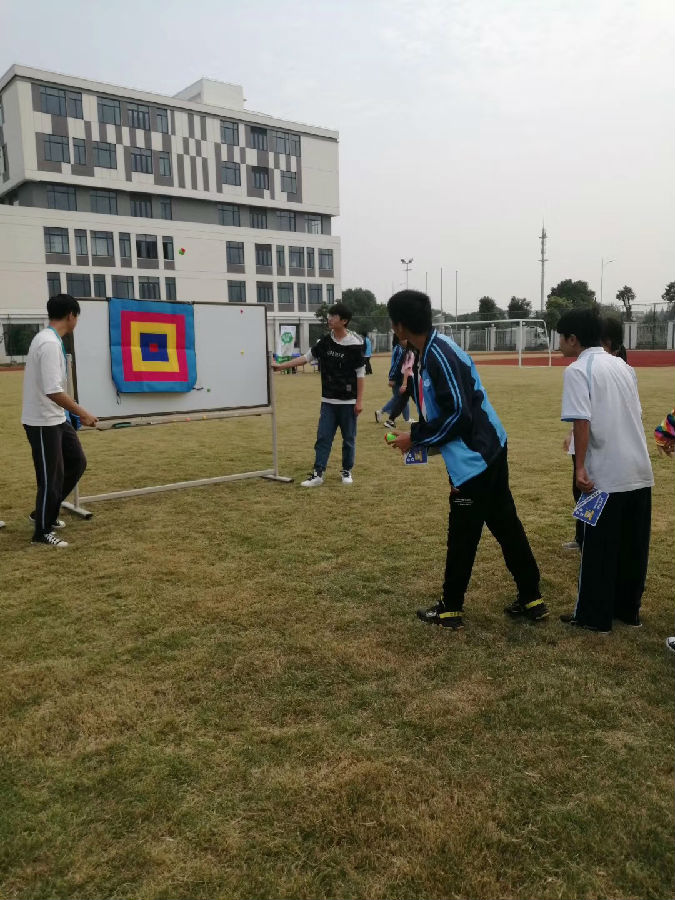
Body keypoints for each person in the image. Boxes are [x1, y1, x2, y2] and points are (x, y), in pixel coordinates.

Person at [386, 290, 547, 631]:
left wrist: (415, 437)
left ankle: (451, 609)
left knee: (463, 534)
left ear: (400, 325)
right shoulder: (427, 351)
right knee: (505, 524)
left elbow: (459, 414)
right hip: (486, 450)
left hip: (477, 458)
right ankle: (532, 598)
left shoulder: (438, 354)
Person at [556, 308, 653, 632]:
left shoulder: (577, 370)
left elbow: (582, 421)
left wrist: (580, 467)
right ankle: (628, 611)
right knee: (632, 547)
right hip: (639, 472)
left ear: (573, 339)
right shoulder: (624, 366)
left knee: (597, 548)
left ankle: (593, 617)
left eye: (561, 338)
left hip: (603, 478)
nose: (559, 345)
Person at [22, 294, 98, 548]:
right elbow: (53, 390)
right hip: (42, 422)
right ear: (71, 315)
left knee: (76, 462)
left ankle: (45, 512)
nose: (76, 321)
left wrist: (69, 415)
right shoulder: (48, 344)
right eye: (77, 317)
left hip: (55, 418)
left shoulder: (52, 340)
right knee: (51, 478)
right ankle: (42, 532)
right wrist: (82, 413)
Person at [272, 302, 364, 486]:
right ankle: (318, 474)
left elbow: (360, 374)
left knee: (349, 439)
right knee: (323, 438)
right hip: (328, 401)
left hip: (348, 402)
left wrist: (359, 401)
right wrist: (281, 366)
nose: (329, 319)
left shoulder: (355, 344)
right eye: (329, 315)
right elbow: (305, 358)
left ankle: (346, 470)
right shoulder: (324, 342)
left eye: (334, 316)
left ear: (344, 321)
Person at [561, 315, 628, 551]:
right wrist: (573, 434)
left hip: (601, 451)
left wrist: (580, 463)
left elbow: (587, 419)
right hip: (595, 447)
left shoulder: (593, 368)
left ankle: (589, 542)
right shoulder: (616, 367)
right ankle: (584, 538)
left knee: (591, 491)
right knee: (583, 492)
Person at [374, 336, 411, 427]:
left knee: (402, 398)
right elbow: (396, 365)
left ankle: (407, 418)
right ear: (400, 339)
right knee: (399, 398)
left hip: (398, 377)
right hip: (397, 378)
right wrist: (392, 378)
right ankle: (381, 411)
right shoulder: (400, 350)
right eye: (406, 338)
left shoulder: (399, 348)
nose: (408, 340)